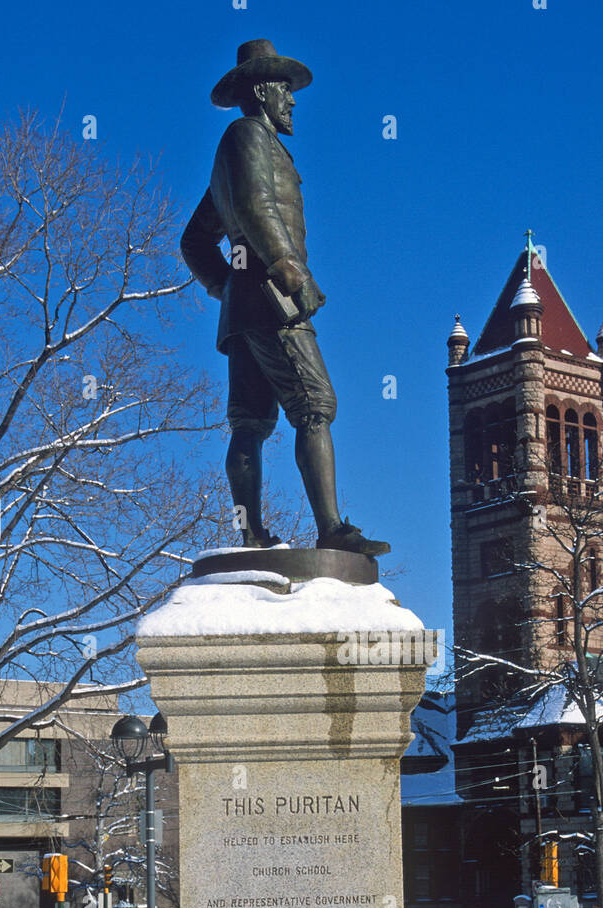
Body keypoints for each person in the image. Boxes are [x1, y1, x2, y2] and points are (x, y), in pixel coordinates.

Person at [181, 39, 389, 557]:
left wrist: (224, 285)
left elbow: (194, 238)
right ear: (263, 90)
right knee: (314, 404)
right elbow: (255, 206)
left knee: (250, 421)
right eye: (286, 91)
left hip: (244, 305)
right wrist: (283, 265)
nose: (292, 101)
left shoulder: (240, 146)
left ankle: (250, 534)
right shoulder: (248, 135)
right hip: (274, 299)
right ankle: (331, 529)